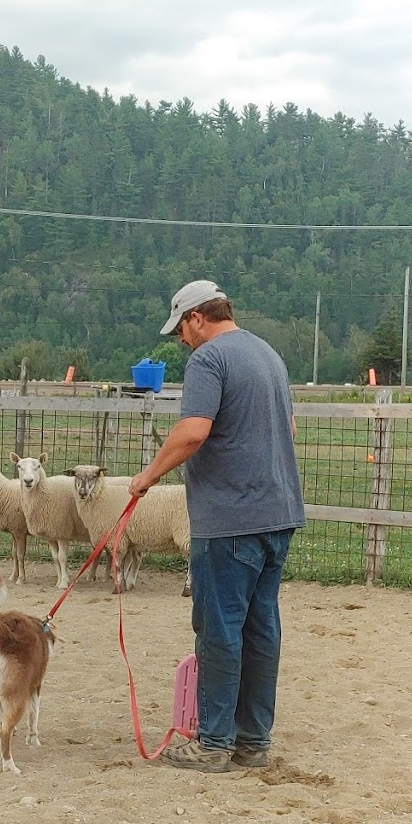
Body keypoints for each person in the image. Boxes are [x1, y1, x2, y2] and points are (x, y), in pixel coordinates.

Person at [128, 279, 305, 773]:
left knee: (219, 629)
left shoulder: (209, 360)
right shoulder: (268, 355)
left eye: (181, 329)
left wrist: (147, 476)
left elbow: (193, 430)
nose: (182, 340)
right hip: (278, 513)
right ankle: (253, 741)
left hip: (229, 519)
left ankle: (213, 742)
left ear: (197, 318)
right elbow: (287, 428)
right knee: (260, 626)